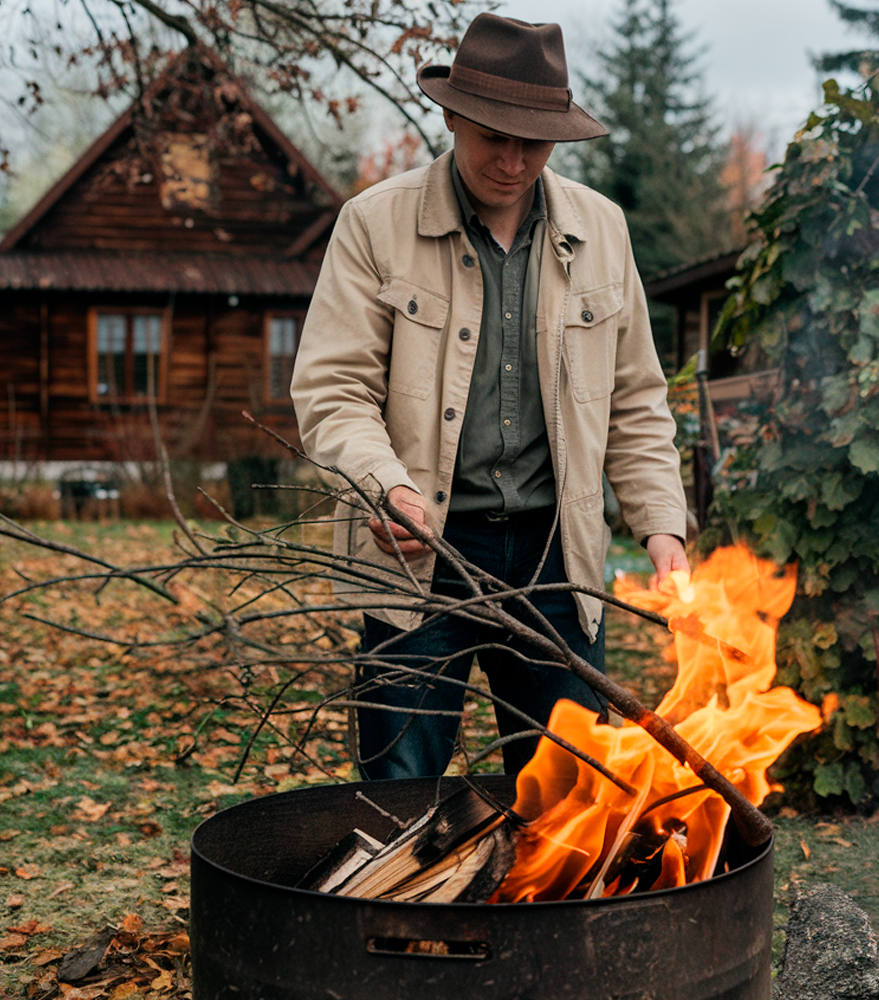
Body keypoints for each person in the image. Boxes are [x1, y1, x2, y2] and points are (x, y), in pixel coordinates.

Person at [291, 13, 689, 780]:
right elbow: (333, 390)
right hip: (419, 551)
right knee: (400, 796)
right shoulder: (373, 225)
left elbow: (636, 400)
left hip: (555, 556)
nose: (511, 161)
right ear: (452, 117)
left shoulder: (604, 232)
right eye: (492, 138)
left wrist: (663, 526)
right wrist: (388, 491)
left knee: (569, 798)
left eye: (531, 143)